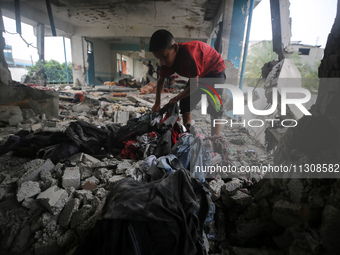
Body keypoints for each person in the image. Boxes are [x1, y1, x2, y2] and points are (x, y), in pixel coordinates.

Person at [149, 29, 226, 136]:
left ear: (175, 48)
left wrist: (175, 98)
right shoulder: (167, 61)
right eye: (159, 58)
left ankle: (216, 138)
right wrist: (157, 103)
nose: (163, 62)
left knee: (215, 106)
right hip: (199, 73)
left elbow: (195, 86)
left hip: (214, 70)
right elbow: (161, 80)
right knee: (185, 102)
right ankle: (187, 133)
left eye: (165, 56)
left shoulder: (189, 55)